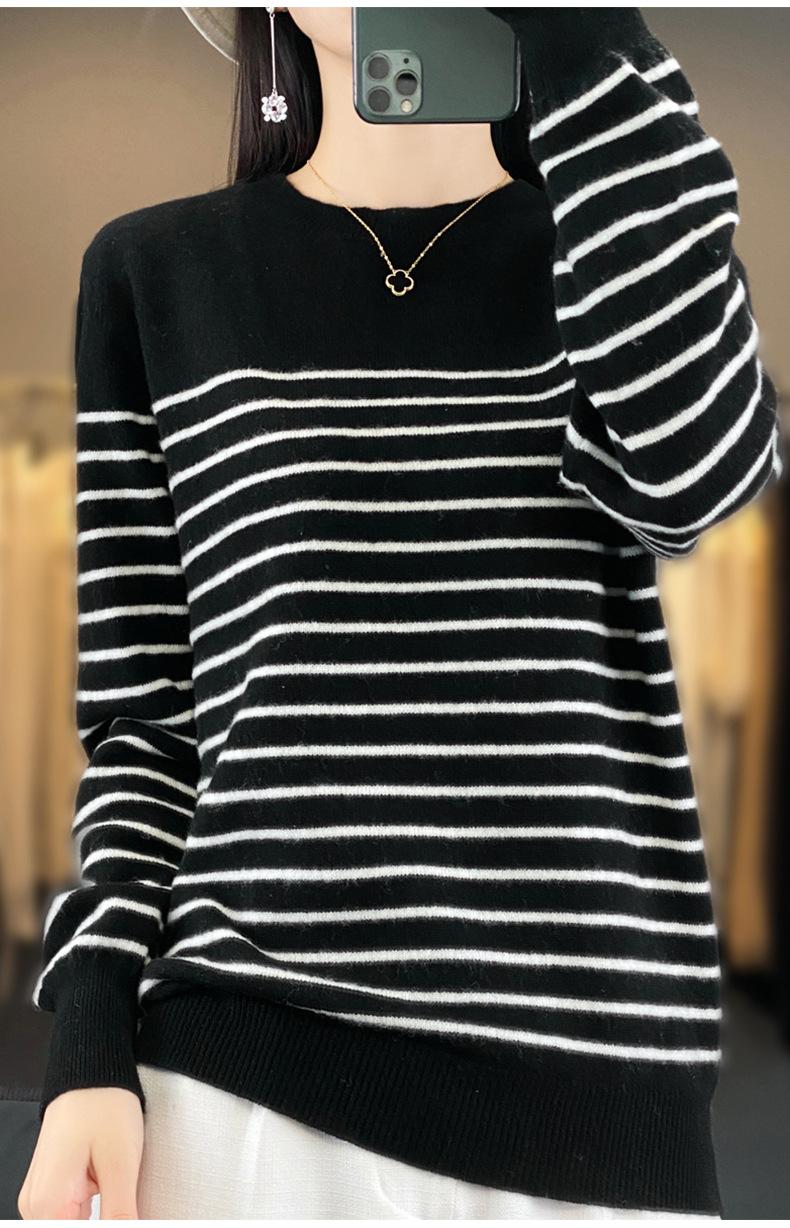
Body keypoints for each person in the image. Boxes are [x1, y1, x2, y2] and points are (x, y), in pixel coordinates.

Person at [19, 5, 783, 1220]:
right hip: (242, 1080)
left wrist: (579, 31)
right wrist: (89, 1040)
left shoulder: (612, 254)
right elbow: (148, 722)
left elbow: (699, 476)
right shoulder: (154, 271)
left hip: (593, 1105)